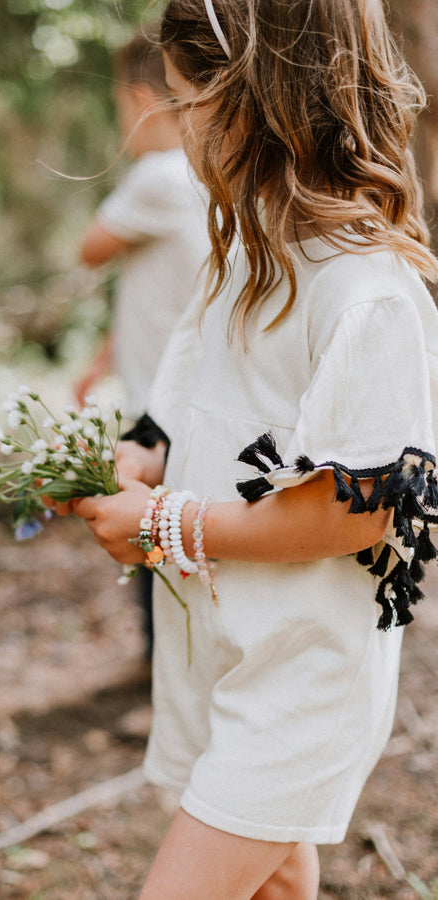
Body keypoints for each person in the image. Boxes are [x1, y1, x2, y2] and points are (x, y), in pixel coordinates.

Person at [52, 1, 438, 896]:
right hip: (220, 646)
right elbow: (181, 401)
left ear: (260, 99)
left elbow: (358, 509)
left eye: (189, 107)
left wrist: (166, 525)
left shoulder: (364, 292)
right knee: (271, 883)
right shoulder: (243, 258)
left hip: (302, 676)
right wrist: (135, 462)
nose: (180, 134)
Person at [75, 27, 210, 659]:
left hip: (162, 395)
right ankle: (164, 668)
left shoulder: (158, 175)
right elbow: (157, 286)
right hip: (181, 386)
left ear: (137, 100)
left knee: (150, 532)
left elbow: (90, 247)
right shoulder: (200, 177)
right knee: (166, 529)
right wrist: (102, 357)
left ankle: (164, 673)